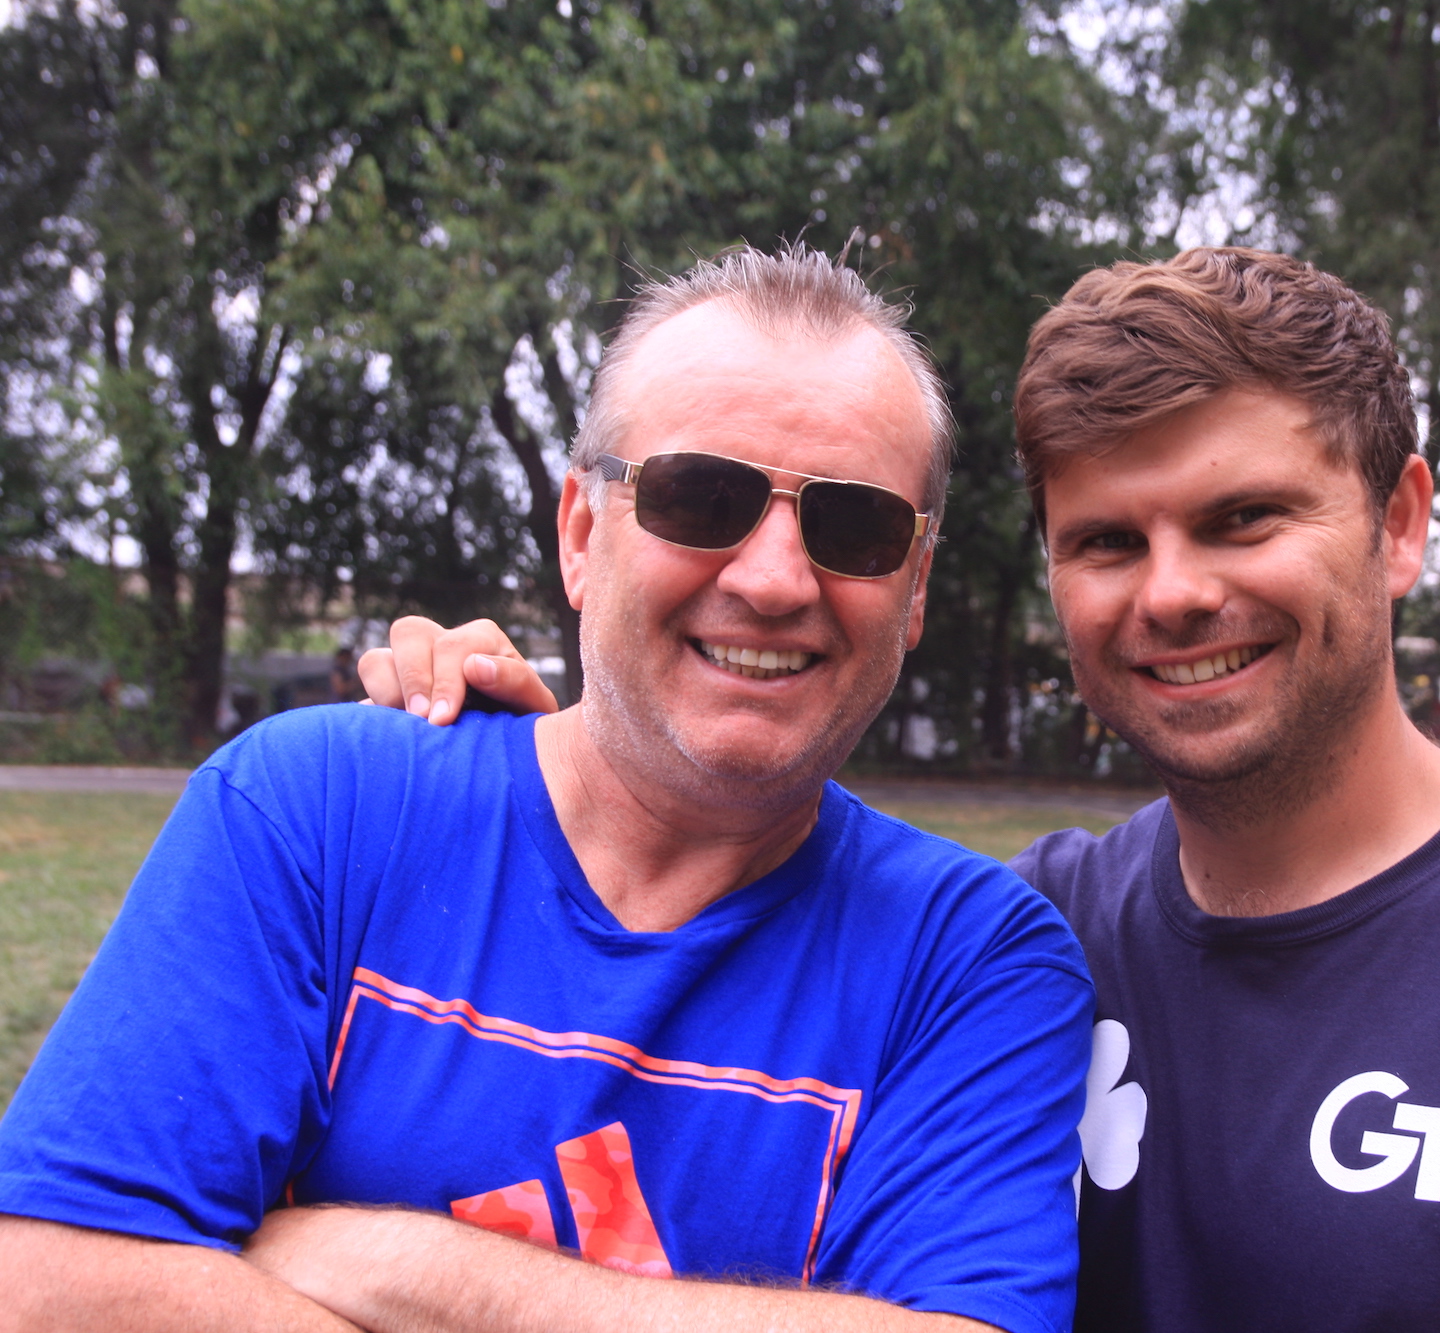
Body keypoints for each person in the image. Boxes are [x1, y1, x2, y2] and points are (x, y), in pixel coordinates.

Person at [371, 247, 1440, 1330]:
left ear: (1400, 522)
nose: (1171, 594)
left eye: (1244, 517)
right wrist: (534, 749)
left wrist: (376, 1267)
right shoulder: (1019, 944)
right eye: (1106, 541)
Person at [0, 245, 1094, 1333]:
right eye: (699, 497)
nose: (771, 580)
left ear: (914, 589)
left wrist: (404, 1266)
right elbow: (51, 1280)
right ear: (580, 534)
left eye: (854, 526)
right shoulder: (316, 810)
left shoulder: (973, 962)